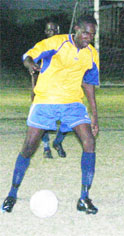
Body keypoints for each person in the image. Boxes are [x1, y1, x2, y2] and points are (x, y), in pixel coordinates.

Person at [1, 15, 99, 214]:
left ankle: (84, 198)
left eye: (93, 34)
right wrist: (30, 64)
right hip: (46, 100)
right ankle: (12, 193)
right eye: (86, 33)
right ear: (77, 29)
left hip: (72, 102)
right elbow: (28, 56)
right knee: (29, 147)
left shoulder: (91, 54)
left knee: (89, 142)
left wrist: (95, 116)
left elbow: (88, 84)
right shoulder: (56, 42)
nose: (89, 37)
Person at [31, 21, 67, 159]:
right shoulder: (42, 48)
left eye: (54, 29)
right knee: (43, 120)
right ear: (46, 32)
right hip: (45, 91)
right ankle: (46, 147)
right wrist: (33, 89)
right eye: (49, 30)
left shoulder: (66, 47)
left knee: (68, 120)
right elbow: (34, 71)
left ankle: (57, 142)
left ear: (58, 30)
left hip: (62, 90)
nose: (51, 32)